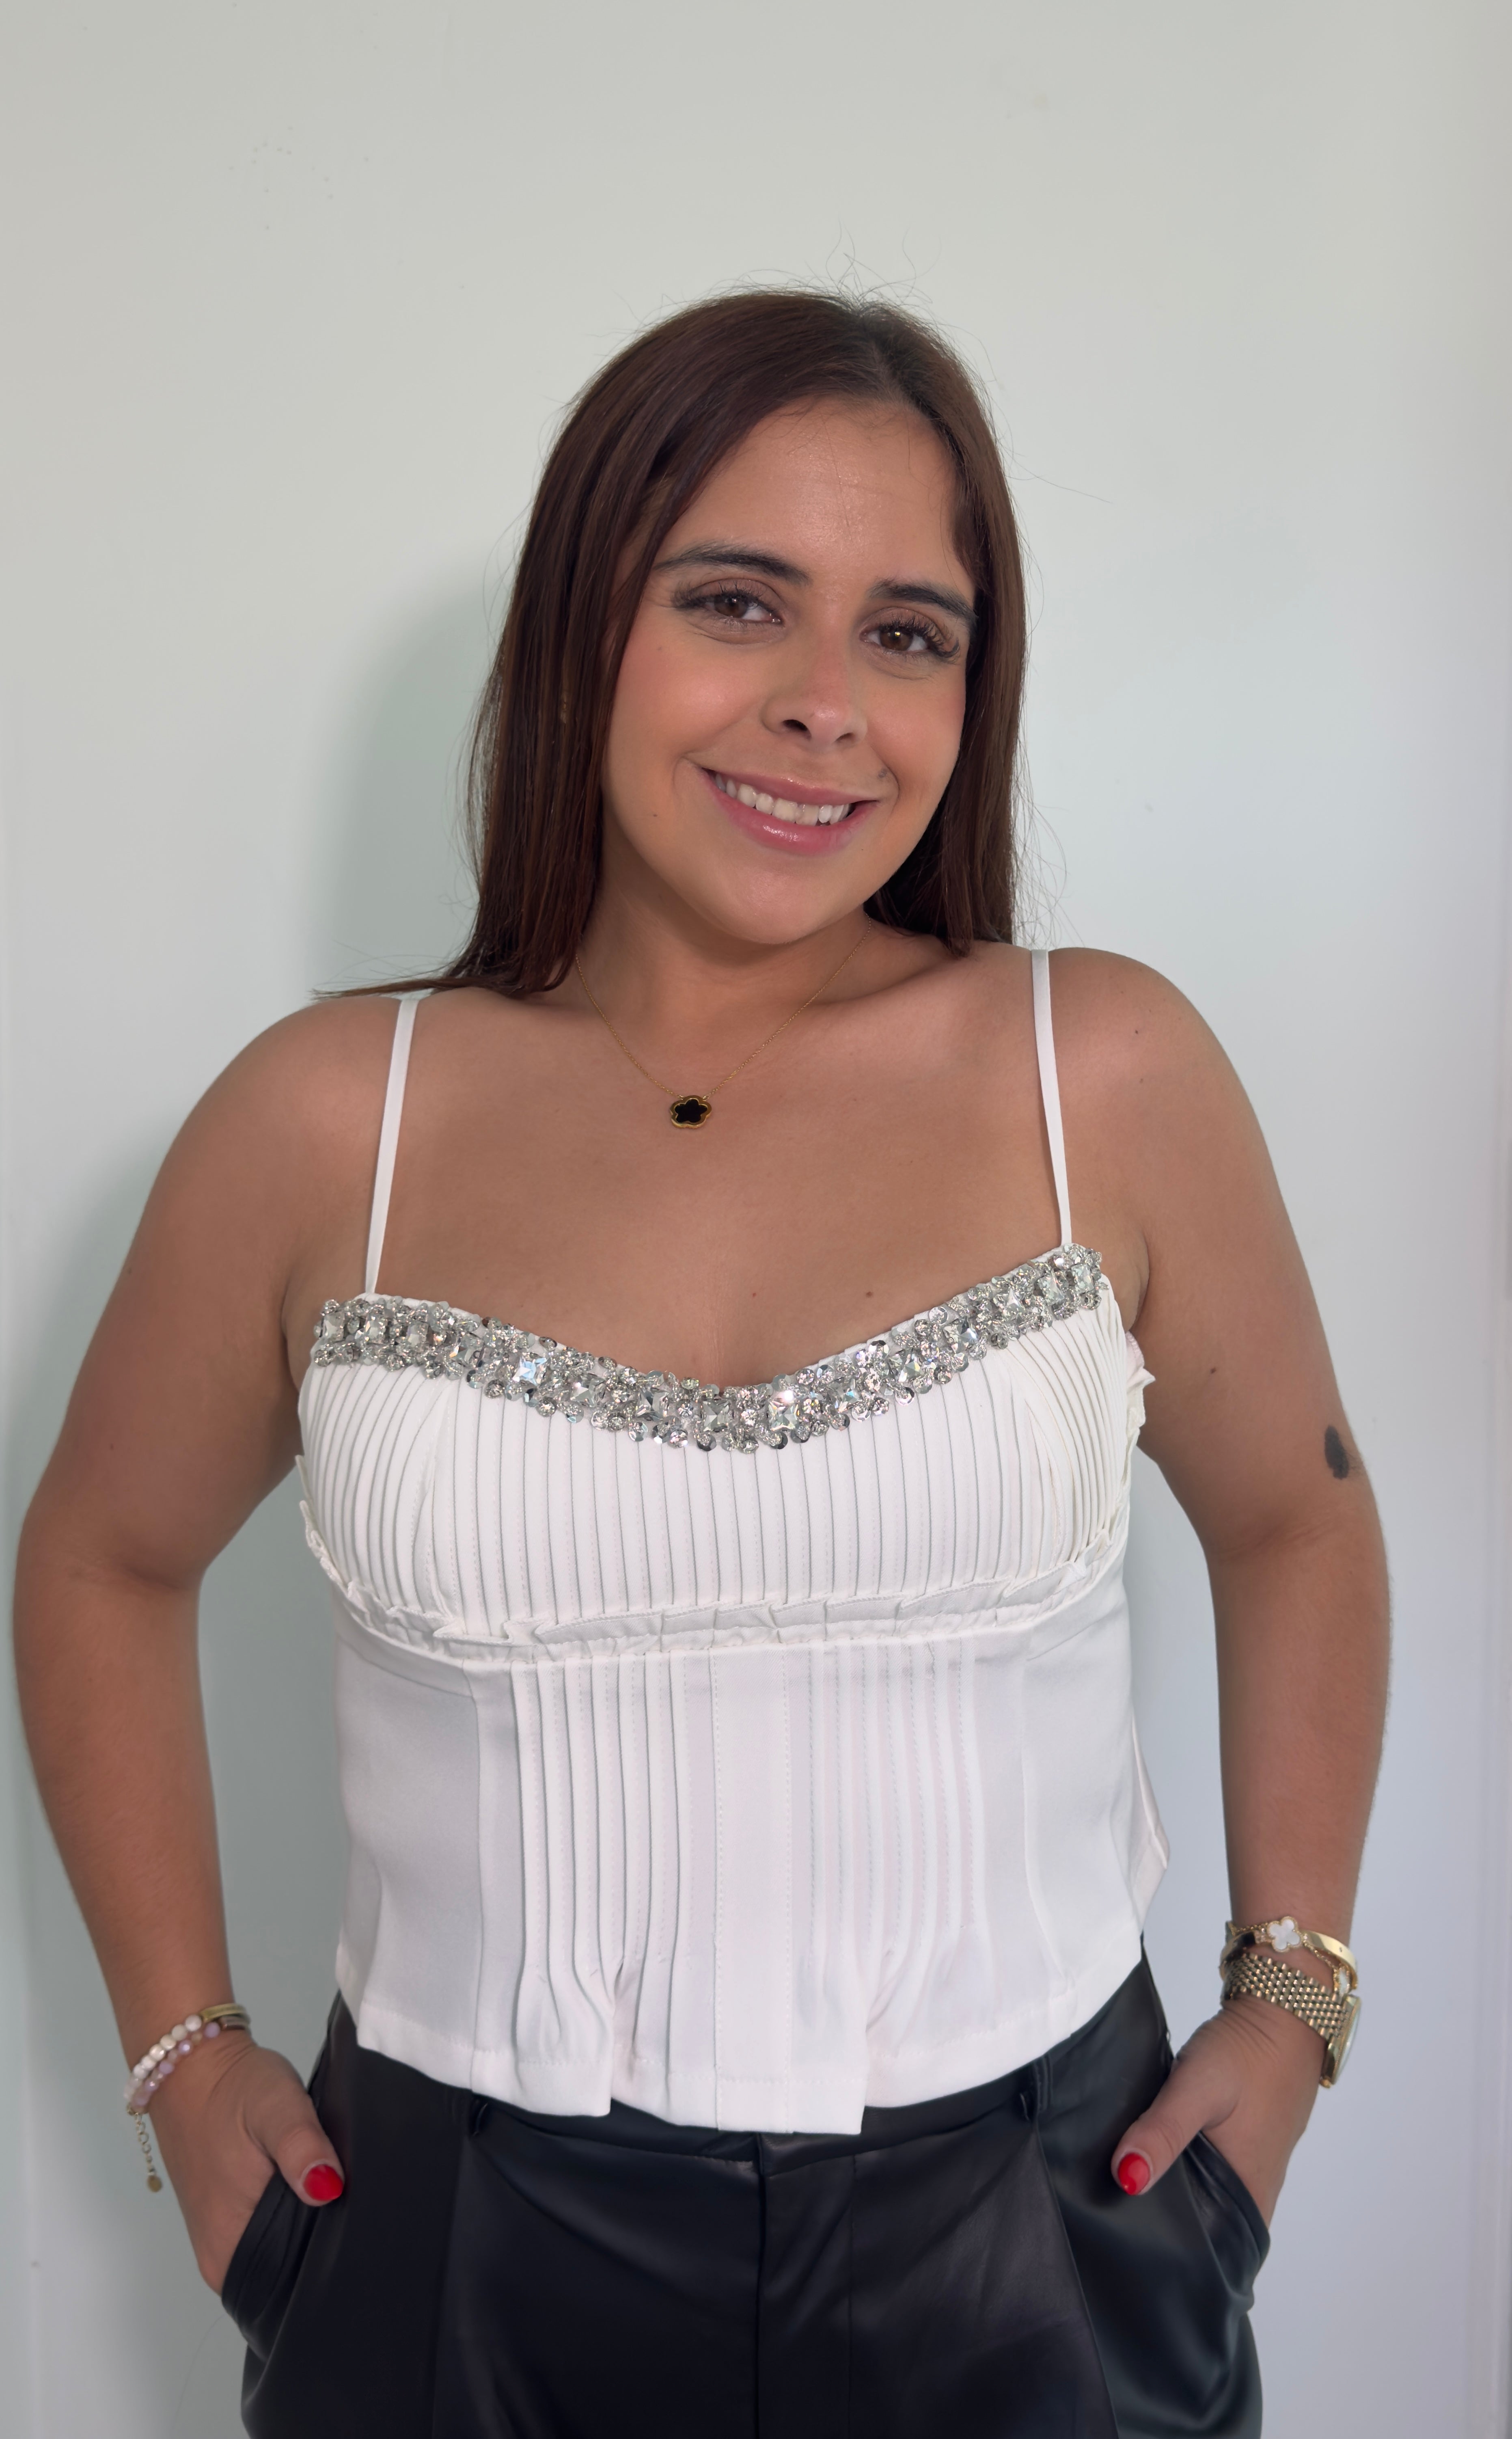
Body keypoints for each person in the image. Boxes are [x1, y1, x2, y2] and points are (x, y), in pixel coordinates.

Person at [14, 289, 1388, 2438]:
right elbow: (100, 1556)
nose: (825, 705)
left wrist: (1293, 1999)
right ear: (585, 623)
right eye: (739, 601)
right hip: (452, 2247)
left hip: (1046, 2231)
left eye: (907, 633)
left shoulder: (1102, 1073)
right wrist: (187, 2062)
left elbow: (1299, 1515)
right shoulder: (326, 1123)